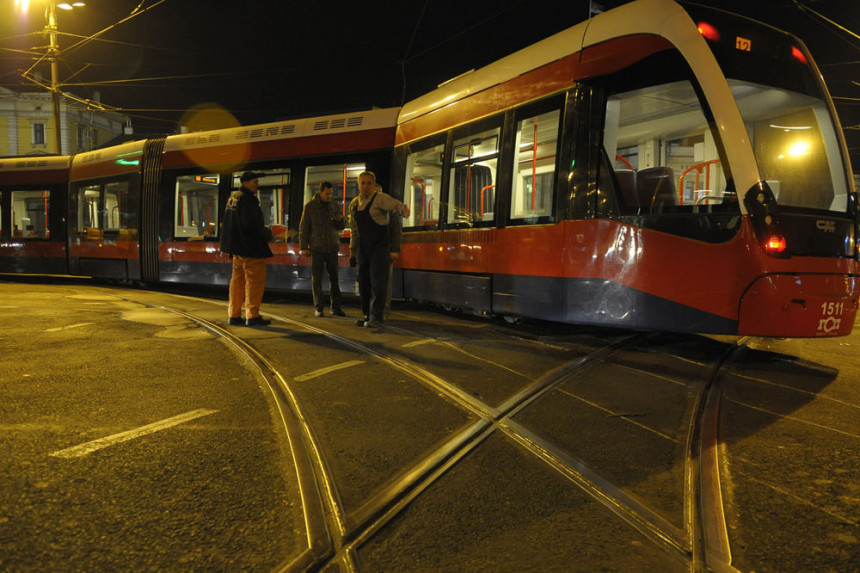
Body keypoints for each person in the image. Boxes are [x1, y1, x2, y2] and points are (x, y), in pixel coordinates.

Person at [348, 171, 410, 329]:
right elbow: (354, 230)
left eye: (369, 183)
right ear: (358, 184)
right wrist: (353, 251)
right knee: (364, 283)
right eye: (363, 183)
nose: (366, 186)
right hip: (364, 248)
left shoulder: (381, 199)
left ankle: (376, 317)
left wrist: (403, 209)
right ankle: (366, 315)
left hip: (379, 247)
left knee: (378, 283)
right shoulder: (354, 204)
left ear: (374, 185)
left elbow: (396, 206)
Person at [221, 171, 274, 326]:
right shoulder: (248, 200)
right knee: (254, 283)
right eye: (254, 182)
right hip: (250, 248)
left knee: (237, 283)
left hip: (237, 249)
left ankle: (234, 315)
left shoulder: (233, 198)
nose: (257, 184)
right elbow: (251, 225)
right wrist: (267, 234)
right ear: (245, 183)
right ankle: (252, 316)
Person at [299, 181, 346, 317]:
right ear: (320, 192)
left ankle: (336, 307)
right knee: (317, 279)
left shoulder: (335, 206)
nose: (329, 196)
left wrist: (339, 220)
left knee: (335, 279)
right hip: (317, 248)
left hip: (331, 247)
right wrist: (304, 247)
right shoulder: (310, 207)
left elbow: (341, 227)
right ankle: (319, 307)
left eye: (331, 193)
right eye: (327, 193)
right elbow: (304, 227)